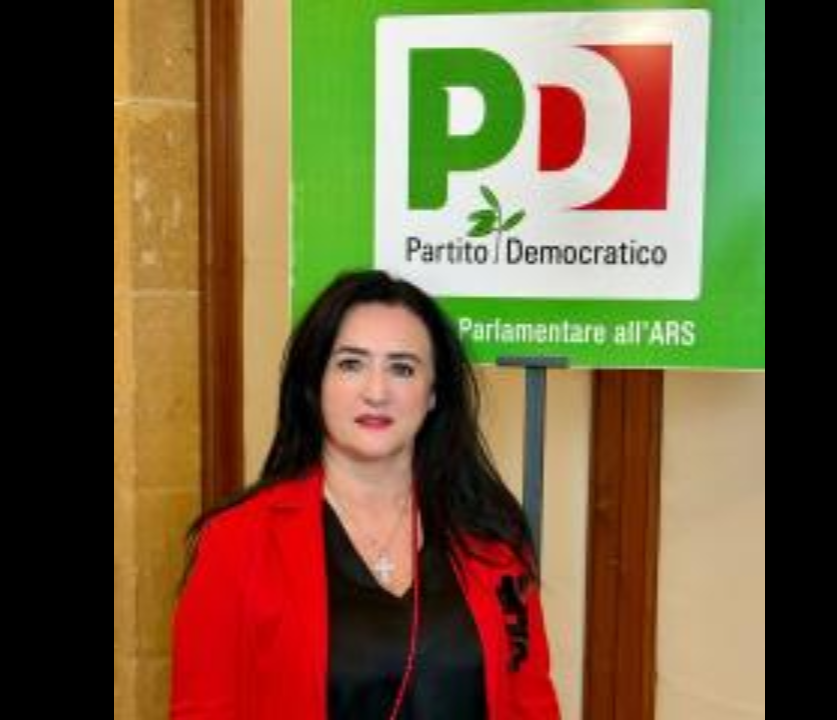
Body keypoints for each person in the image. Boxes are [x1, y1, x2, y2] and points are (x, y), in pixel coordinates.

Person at [171, 270, 560, 720]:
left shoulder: (492, 536)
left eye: (402, 368)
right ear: (314, 383)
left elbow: (531, 704)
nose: (376, 392)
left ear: (433, 394)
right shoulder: (236, 542)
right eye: (351, 364)